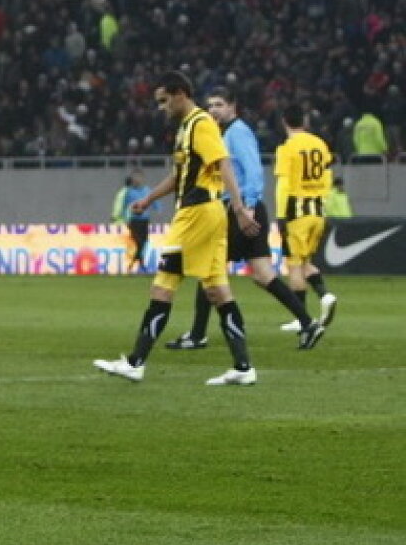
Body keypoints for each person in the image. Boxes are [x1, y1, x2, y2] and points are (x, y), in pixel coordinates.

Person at [94, 71, 260, 386]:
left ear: (180, 93)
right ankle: (243, 367)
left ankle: (135, 362)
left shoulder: (201, 124)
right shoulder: (186, 128)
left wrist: (239, 207)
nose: (161, 107)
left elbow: (223, 162)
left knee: (164, 284)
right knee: (216, 289)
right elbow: (179, 177)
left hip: (197, 215)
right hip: (203, 213)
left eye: (164, 100)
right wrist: (148, 199)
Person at [166, 87, 323, 350]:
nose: (213, 109)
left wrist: (246, 207)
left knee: (208, 267)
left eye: (219, 104)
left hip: (238, 210)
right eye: (210, 105)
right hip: (243, 208)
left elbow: (253, 171)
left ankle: (197, 334)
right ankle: (308, 323)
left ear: (232, 107)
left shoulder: (238, 132)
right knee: (263, 274)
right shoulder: (223, 132)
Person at [275, 104, 338, 333]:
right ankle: (325, 295)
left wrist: (281, 216)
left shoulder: (287, 148)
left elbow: (283, 185)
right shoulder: (320, 144)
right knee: (304, 262)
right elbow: (327, 178)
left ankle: (301, 319)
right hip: (317, 212)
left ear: (284, 122)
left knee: (293, 265)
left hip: (297, 214)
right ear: (306, 121)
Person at [112, 170, 156, 273]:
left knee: (143, 242)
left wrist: (155, 208)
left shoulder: (147, 190)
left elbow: (153, 202)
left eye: (139, 178)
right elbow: (125, 207)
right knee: (139, 242)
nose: (137, 180)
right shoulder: (128, 192)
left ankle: (136, 265)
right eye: (135, 178)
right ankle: (134, 265)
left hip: (144, 220)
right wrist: (124, 218)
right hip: (134, 221)